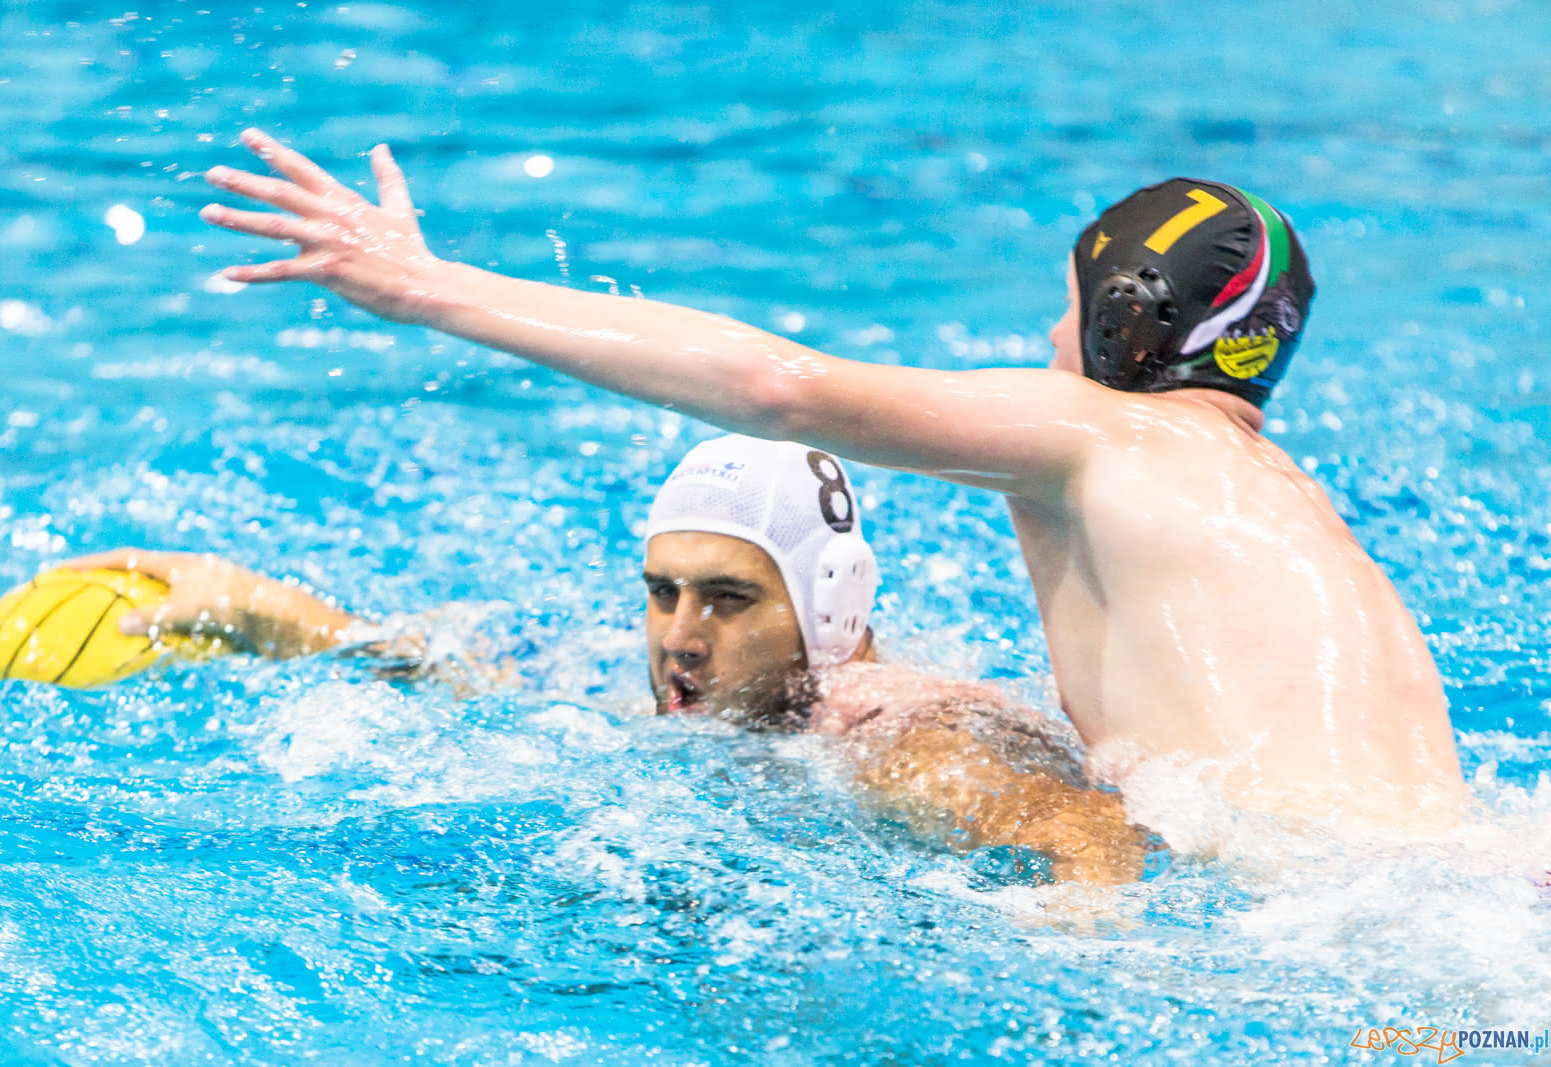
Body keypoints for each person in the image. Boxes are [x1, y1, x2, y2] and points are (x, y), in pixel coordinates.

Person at [197, 130, 1465, 824]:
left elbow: (778, 385)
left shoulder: (1096, 433)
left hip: (1302, 934)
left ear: (1124, 322)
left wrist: (425, 288)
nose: (1042, 345)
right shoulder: (1285, 511)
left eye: (1059, 311)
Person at [72, 435, 1146, 884]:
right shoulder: (724, 707)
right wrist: (260, 611)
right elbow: (467, 678)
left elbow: (1084, 830)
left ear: (828, 606)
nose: (679, 635)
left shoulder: (893, 738)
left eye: (727, 598)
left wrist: (1079, 931)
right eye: (660, 591)